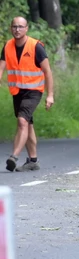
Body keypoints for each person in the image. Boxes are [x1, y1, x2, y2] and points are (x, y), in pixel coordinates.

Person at [0, 17, 54, 172]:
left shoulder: (36, 47)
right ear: (11, 28)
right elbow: (1, 68)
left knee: (22, 121)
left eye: (20, 27)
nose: (17, 29)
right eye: (14, 26)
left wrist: (50, 95)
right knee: (28, 126)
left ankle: (14, 157)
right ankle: (33, 160)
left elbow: (47, 72)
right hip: (17, 92)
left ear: (27, 28)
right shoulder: (7, 46)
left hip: (33, 92)